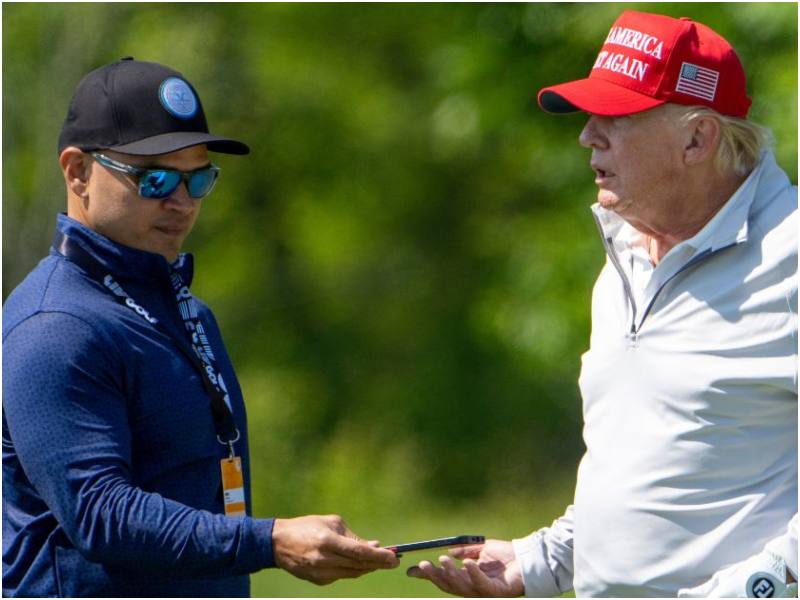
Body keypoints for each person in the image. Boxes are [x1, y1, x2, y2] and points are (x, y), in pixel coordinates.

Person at [407, 10, 797, 598]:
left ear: (697, 137)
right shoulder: (626, 253)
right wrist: (543, 560)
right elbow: (645, 468)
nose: (588, 134)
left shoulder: (790, 255)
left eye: (615, 116)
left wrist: (758, 587)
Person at [2, 57, 399, 597]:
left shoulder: (187, 310)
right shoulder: (56, 324)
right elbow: (99, 512)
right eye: (155, 177)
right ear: (77, 171)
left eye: (200, 178)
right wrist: (270, 540)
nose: (182, 201)